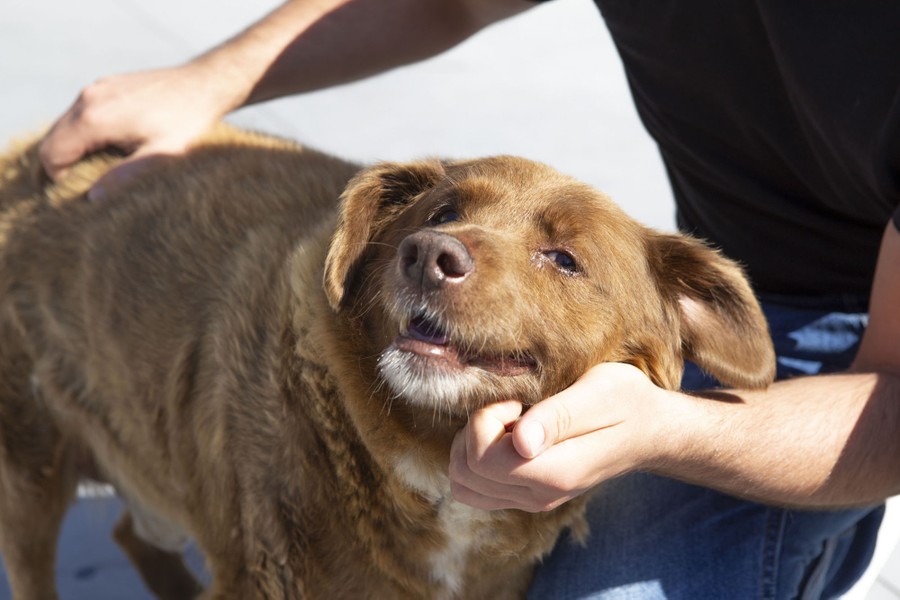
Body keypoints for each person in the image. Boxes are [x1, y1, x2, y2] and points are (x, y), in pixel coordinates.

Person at [39, 0, 900, 598]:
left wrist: (669, 430)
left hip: (861, 376)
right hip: (719, 272)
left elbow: (894, 411)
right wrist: (212, 79)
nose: (435, 255)